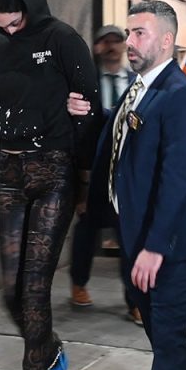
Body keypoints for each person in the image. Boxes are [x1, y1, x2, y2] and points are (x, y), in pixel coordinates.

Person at [69, 0, 186, 370]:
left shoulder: (181, 96)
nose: (129, 42)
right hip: (139, 238)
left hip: (173, 244)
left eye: (139, 34)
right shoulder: (140, 89)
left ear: (166, 41)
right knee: (163, 333)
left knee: (167, 336)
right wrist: (87, 116)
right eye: (128, 33)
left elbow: (180, 179)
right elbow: (116, 140)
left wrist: (155, 246)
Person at [0, 0, 101, 370]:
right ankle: (51, 355)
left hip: (53, 172)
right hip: (10, 172)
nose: (10, 30)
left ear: (31, 4)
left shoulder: (62, 38)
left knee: (33, 292)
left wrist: (74, 131)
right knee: (10, 291)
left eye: (15, 21)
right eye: (1, 24)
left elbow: (91, 106)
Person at [68, 24, 141, 326]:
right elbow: (79, 132)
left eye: (116, 41)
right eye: (104, 42)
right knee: (86, 229)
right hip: (93, 171)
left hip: (127, 173)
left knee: (129, 235)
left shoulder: (137, 83)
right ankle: (79, 283)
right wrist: (80, 183)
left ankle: (134, 301)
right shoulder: (85, 85)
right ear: (96, 47)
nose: (111, 46)